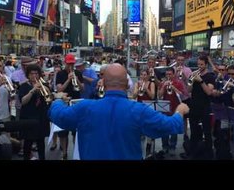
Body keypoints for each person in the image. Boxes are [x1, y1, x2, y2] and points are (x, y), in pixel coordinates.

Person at [49, 63, 189, 160]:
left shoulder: (85, 108)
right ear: (127, 85)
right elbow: (171, 125)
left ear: (103, 82)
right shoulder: (138, 111)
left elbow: (58, 115)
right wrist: (180, 110)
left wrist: (58, 100)